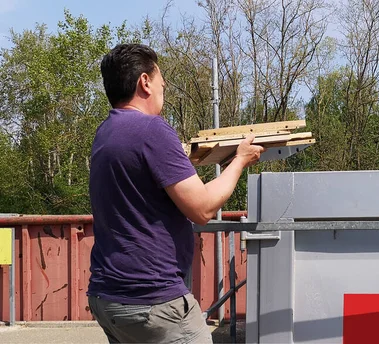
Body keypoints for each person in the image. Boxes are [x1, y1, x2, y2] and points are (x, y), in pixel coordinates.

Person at [86, 43, 264, 343]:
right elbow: (203, 209)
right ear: (145, 82)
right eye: (161, 84)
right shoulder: (152, 130)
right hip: (152, 301)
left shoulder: (105, 133)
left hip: (108, 297)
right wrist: (240, 161)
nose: (162, 92)